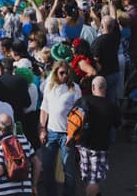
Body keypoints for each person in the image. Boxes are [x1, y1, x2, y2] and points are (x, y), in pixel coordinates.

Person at [66, 76, 121, 196]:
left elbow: (71, 118)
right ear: (105, 88)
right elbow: (117, 125)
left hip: (82, 145)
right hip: (100, 146)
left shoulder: (83, 100)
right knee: (94, 180)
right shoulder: (111, 106)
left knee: (88, 177)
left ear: (93, 87)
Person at [39, 61, 82, 196]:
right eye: (61, 73)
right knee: (47, 167)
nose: (64, 75)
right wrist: (42, 129)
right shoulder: (49, 87)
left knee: (68, 169)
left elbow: (80, 113)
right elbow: (44, 109)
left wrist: (72, 134)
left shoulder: (75, 88)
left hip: (67, 134)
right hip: (51, 132)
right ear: (55, 73)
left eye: (66, 72)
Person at [0, 113, 41, 196]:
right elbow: (37, 163)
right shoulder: (24, 141)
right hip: (25, 190)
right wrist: (33, 185)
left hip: (6, 192)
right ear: (13, 126)